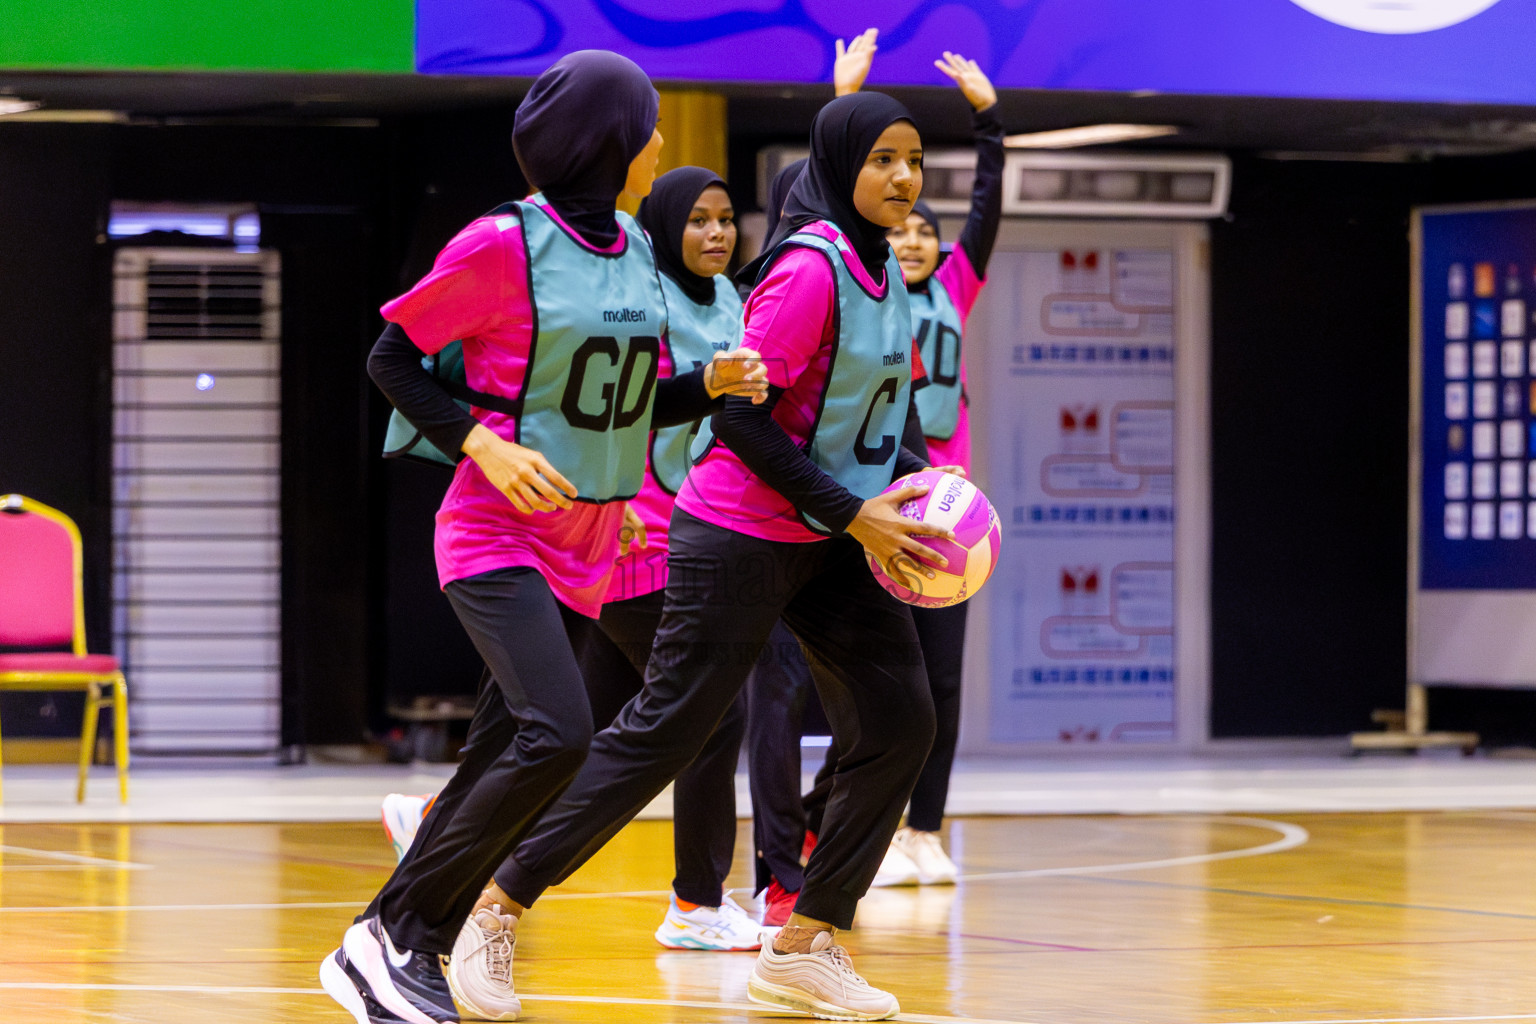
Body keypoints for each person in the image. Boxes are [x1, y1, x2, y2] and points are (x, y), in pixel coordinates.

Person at [447, 91, 949, 1022]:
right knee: (668, 730)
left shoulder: (889, 271)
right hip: (740, 528)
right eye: (883, 159)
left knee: (901, 720)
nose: (904, 177)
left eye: (915, 160)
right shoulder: (808, 272)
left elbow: (890, 412)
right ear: (842, 166)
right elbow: (739, 421)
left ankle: (804, 944)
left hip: (831, 530)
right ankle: (492, 907)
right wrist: (857, 515)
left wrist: (926, 488)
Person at [320, 50, 766, 1024]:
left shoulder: (634, 248)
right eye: (646, 124)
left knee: (500, 757)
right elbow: (392, 357)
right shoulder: (501, 244)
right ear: (608, 140)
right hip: (496, 534)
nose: (659, 141)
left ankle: (403, 939)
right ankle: (389, 936)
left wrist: (708, 386)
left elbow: (626, 399)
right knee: (560, 732)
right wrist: (480, 442)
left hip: (589, 546)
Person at [382, 167, 764, 959]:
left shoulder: (713, 294)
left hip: (626, 534)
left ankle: (441, 842)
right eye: (699, 218)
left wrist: (714, 386)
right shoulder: (559, 260)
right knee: (672, 718)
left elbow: (648, 403)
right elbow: (398, 358)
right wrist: (495, 448)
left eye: (727, 218)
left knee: (567, 734)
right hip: (620, 533)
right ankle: (673, 899)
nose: (717, 233)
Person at [747, 44, 1004, 907]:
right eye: (883, 164)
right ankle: (780, 866)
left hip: (926, 503)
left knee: (920, 695)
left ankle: (906, 836)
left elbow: (985, 210)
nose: (915, 227)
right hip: (819, 500)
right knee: (766, 701)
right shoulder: (823, 270)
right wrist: (842, 100)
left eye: (927, 219)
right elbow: (801, 205)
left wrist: (990, 121)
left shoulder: (936, 286)